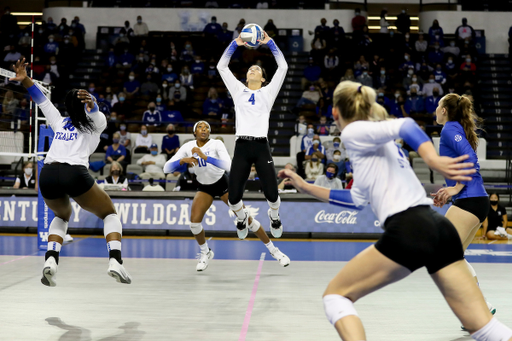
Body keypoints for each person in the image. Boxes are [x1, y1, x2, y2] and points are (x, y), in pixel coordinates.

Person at [278, 80, 512, 341]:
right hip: (437, 227)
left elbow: (408, 125)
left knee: (336, 296)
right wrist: (306, 186)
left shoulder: (353, 132)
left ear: (335, 113)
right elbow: (356, 198)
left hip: (409, 228)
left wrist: (432, 160)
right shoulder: (381, 145)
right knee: (486, 329)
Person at [10, 58, 131, 286]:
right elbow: (96, 114)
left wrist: (25, 78)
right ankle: (115, 261)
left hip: (48, 173)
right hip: (74, 172)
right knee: (109, 214)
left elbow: (41, 100)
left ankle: (50, 261)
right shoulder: (95, 123)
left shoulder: (59, 121)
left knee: (61, 216)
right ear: (86, 105)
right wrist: (92, 104)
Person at [164, 121, 290, 270]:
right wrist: (182, 160)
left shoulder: (216, 144)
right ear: (194, 132)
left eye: (207, 128)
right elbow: (166, 168)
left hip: (223, 184)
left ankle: (274, 250)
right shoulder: (187, 147)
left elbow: (228, 165)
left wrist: (206, 157)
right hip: (205, 186)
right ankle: (206, 253)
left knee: (248, 220)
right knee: (194, 224)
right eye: (200, 127)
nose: (204, 129)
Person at [431, 93, 496, 328]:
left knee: (443, 255)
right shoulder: (454, 128)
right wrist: (449, 192)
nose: (435, 110)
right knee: (454, 258)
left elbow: (471, 159)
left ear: (445, 110)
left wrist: (456, 187)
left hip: (471, 200)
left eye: (438, 106)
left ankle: (480, 308)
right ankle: (478, 312)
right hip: (472, 200)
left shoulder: (449, 128)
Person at [217, 31, 287, 239]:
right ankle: (241, 218)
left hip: (260, 146)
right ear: (246, 77)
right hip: (242, 147)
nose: (253, 69)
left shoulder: (268, 93)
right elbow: (222, 66)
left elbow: (283, 67)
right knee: (234, 197)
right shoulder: (238, 90)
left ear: (264, 79)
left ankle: (274, 216)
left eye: (257, 69)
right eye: (250, 69)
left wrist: (270, 43)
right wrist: (235, 44)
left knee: (272, 194)